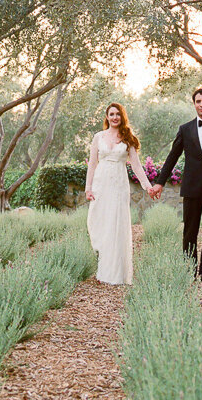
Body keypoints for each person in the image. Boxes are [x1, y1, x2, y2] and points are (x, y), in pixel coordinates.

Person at [149, 86, 202, 282]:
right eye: (198, 101)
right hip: (192, 188)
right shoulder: (185, 129)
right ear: (194, 104)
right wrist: (160, 182)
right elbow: (172, 157)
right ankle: (189, 269)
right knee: (189, 231)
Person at [85, 102, 152, 285]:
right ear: (107, 117)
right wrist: (88, 188)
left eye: (118, 114)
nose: (115, 117)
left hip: (119, 185)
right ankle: (101, 263)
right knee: (98, 221)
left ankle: (115, 273)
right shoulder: (98, 137)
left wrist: (147, 186)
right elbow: (92, 163)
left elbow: (136, 166)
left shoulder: (128, 138)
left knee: (116, 223)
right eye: (111, 114)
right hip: (101, 183)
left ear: (122, 117)